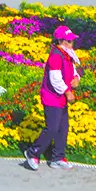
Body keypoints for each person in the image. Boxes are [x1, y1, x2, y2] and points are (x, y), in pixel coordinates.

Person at [24, 25, 81, 171]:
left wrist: (76, 78)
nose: (71, 44)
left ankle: (57, 157)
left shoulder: (67, 54)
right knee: (52, 129)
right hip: (52, 98)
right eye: (69, 41)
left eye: (71, 41)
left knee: (63, 128)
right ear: (61, 41)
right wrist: (68, 92)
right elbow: (55, 79)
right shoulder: (56, 55)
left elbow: (73, 70)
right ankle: (32, 153)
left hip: (60, 99)